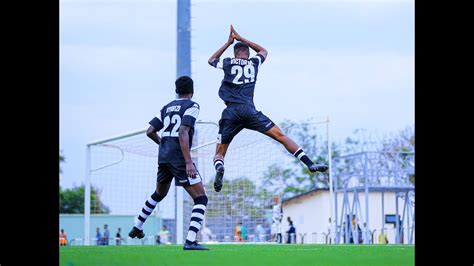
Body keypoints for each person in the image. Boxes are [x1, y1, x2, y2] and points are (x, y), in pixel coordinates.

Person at [208, 25, 328, 192]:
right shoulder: (254, 63)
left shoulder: (227, 63)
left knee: (219, 153)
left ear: (235, 54)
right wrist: (242, 38)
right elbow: (264, 50)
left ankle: (220, 168)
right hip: (250, 111)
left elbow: (211, 60)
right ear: (248, 54)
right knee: (281, 136)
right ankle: (310, 163)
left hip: (231, 112)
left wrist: (228, 43)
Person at [128, 76, 209, 251]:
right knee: (201, 197)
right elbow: (183, 131)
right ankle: (190, 241)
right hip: (179, 158)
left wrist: (164, 144)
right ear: (192, 92)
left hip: (164, 156)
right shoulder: (192, 106)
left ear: (176, 91)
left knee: (159, 193)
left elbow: (150, 131)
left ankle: (137, 226)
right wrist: (189, 162)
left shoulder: (166, 107)